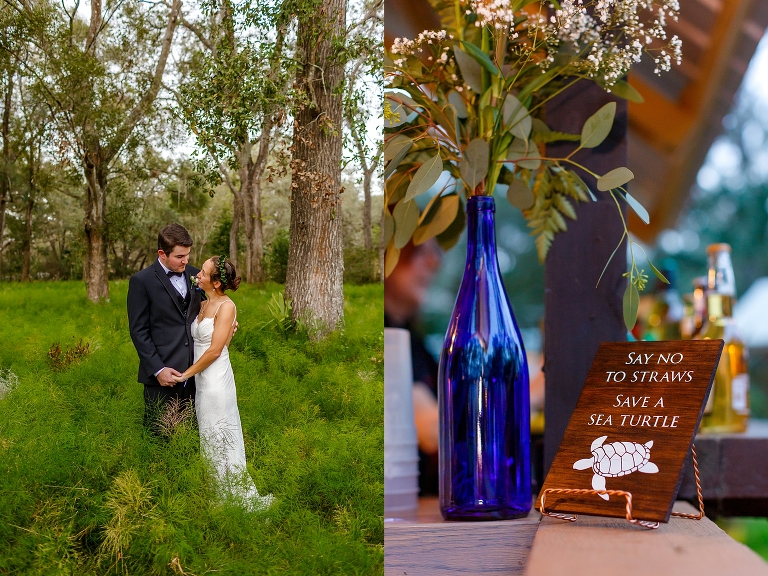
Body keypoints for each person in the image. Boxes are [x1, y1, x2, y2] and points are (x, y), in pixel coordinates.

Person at [172, 255, 274, 511]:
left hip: (216, 383)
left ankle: (235, 496)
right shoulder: (204, 303)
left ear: (216, 283)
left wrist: (185, 374)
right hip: (203, 380)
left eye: (204, 273)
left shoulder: (226, 306)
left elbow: (216, 351)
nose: (198, 276)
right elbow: (217, 342)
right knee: (209, 436)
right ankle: (218, 493)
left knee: (222, 437)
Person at [127, 224, 202, 429]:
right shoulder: (141, 281)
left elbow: (211, 306)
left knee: (192, 438)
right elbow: (138, 331)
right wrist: (158, 370)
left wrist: (229, 321)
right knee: (159, 438)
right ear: (162, 253)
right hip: (162, 378)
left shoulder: (197, 275)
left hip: (196, 375)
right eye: (179, 256)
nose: (185, 261)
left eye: (187, 255)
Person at [384, 239, 442, 495]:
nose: (433, 262)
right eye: (419, 250)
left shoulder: (417, 344)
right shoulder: (387, 341)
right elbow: (433, 430)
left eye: (435, 252)